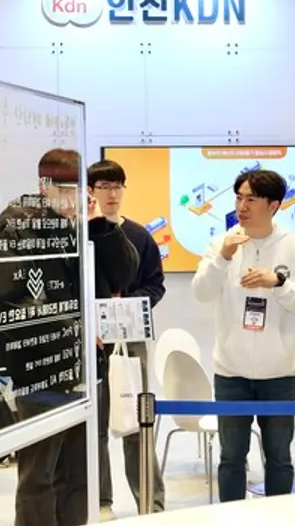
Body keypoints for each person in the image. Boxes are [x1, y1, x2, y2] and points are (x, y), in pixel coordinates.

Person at [0, 148, 138, 526]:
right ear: (43, 187)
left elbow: (123, 275)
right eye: (65, 189)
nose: (73, 198)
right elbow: (20, 302)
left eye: (79, 189)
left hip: (83, 371)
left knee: (79, 473)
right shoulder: (20, 230)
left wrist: (103, 226)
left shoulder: (79, 229)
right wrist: (78, 333)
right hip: (41, 370)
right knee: (40, 475)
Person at [192, 169, 295, 503]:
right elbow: (202, 292)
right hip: (230, 373)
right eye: (238, 198)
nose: (242, 206)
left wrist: (279, 283)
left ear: (274, 205)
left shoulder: (294, 246)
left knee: (279, 458)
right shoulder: (222, 243)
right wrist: (223, 258)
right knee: (231, 458)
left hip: (279, 375)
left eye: (251, 199)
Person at [87, 160, 166, 519]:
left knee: (137, 421)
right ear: (90, 191)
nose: (112, 193)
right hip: (90, 342)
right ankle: (100, 501)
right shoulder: (80, 234)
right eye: (104, 186)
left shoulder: (139, 235)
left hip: (130, 339)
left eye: (117, 185)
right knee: (95, 424)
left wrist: (127, 305)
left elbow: (156, 285)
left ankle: (151, 501)